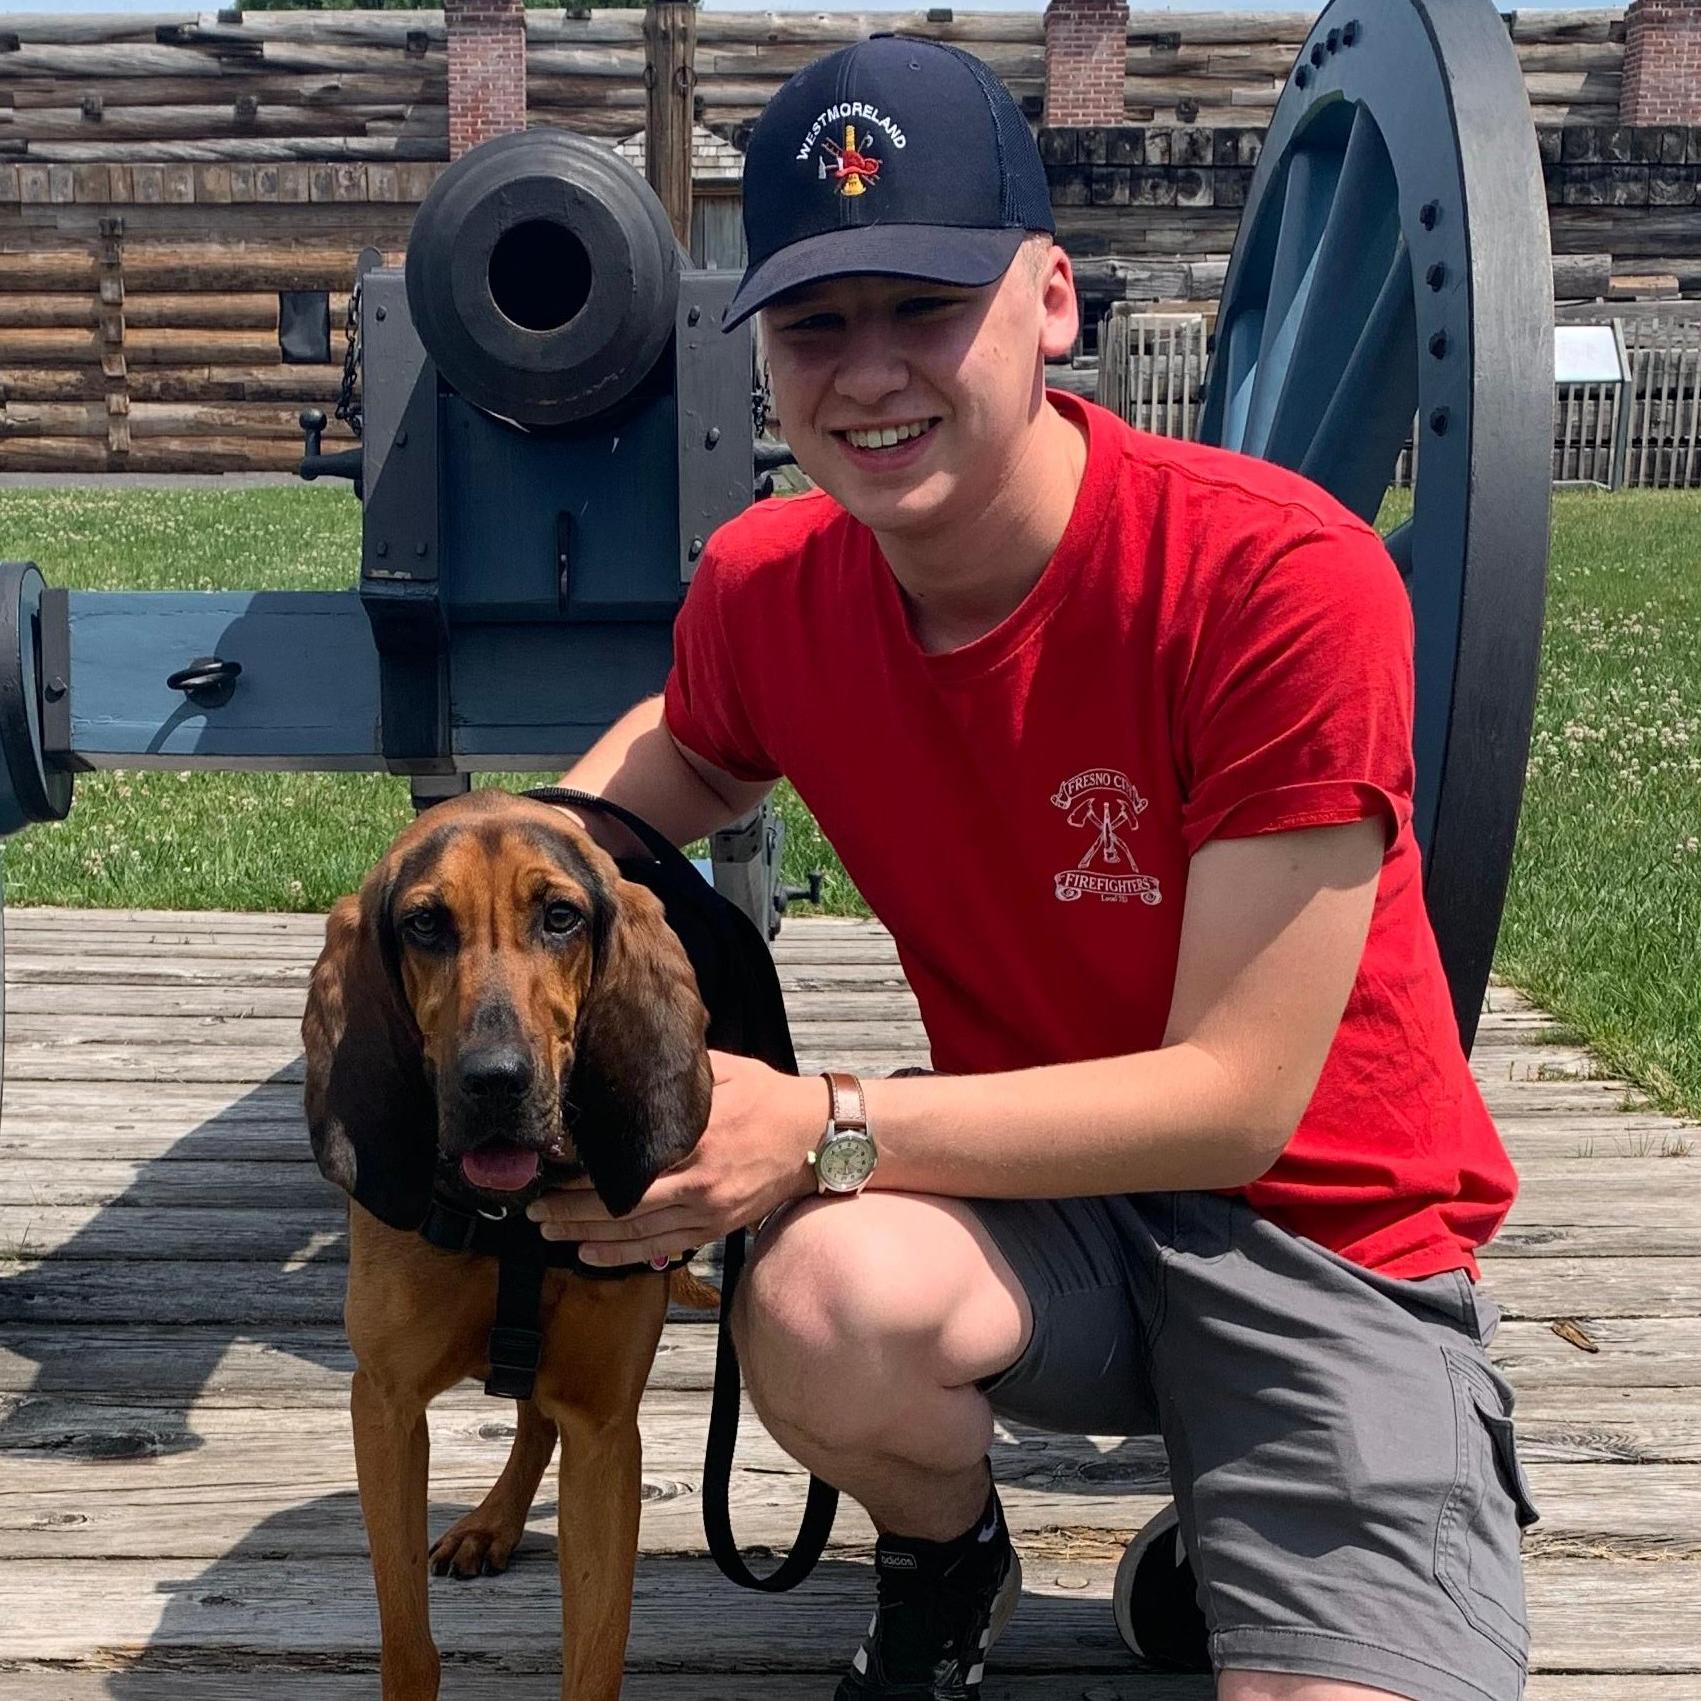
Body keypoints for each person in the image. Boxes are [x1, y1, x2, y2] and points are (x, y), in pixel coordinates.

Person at [527, 33, 1537, 1701]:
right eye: (813, 325)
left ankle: (1258, 1535)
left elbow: (1235, 1100)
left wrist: (824, 1122)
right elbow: (689, 750)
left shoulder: (1277, 577)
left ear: (1051, 299)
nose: (865, 376)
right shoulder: (770, 586)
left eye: (924, 308)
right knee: (823, 1286)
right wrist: (500, 874)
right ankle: (947, 1556)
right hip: (1040, 1199)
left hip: (1325, 1228)